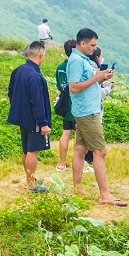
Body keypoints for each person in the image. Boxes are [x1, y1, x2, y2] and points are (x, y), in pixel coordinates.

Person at [67, 28, 124, 206]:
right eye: (92, 45)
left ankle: (78, 188)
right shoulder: (77, 61)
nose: (94, 49)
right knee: (100, 151)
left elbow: (86, 84)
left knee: (80, 150)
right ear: (82, 43)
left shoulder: (82, 59)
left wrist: (101, 78)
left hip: (84, 109)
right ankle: (105, 194)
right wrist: (96, 77)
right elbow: (74, 87)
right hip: (88, 112)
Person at [7, 41, 52, 193]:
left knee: (26, 150)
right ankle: (31, 185)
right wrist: (43, 123)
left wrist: (18, 107)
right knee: (33, 151)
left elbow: (11, 92)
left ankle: (30, 179)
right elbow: (37, 101)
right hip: (34, 120)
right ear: (41, 54)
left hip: (23, 117)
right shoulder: (34, 75)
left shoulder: (19, 70)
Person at [54, 39, 78, 172]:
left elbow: (59, 85)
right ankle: (77, 161)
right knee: (78, 134)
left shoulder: (60, 68)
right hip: (77, 104)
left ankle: (62, 163)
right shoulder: (76, 65)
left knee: (66, 133)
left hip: (65, 104)